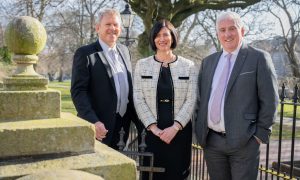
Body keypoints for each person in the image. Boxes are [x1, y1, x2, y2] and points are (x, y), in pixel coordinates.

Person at [195, 11, 279, 180]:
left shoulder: (259, 58)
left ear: (242, 31)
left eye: (232, 28)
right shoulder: (208, 62)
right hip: (212, 142)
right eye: (222, 30)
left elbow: (270, 101)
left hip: (245, 142)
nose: (227, 34)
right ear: (217, 33)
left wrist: (258, 136)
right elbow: (200, 100)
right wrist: (199, 132)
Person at [133, 19, 198, 180]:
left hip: (179, 132)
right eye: (158, 35)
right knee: (151, 174)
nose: (162, 39)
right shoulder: (142, 65)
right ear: (153, 39)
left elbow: (192, 99)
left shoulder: (188, 66)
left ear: (173, 37)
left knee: (178, 174)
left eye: (166, 35)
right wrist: (154, 128)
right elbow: (138, 98)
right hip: (151, 133)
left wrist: (175, 127)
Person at [71, 8, 143, 150]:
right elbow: (78, 92)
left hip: (123, 126)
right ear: (98, 28)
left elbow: (128, 90)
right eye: (108, 24)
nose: (112, 28)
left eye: (116, 25)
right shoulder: (85, 53)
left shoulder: (125, 51)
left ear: (120, 29)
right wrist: (93, 121)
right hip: (98, 128)